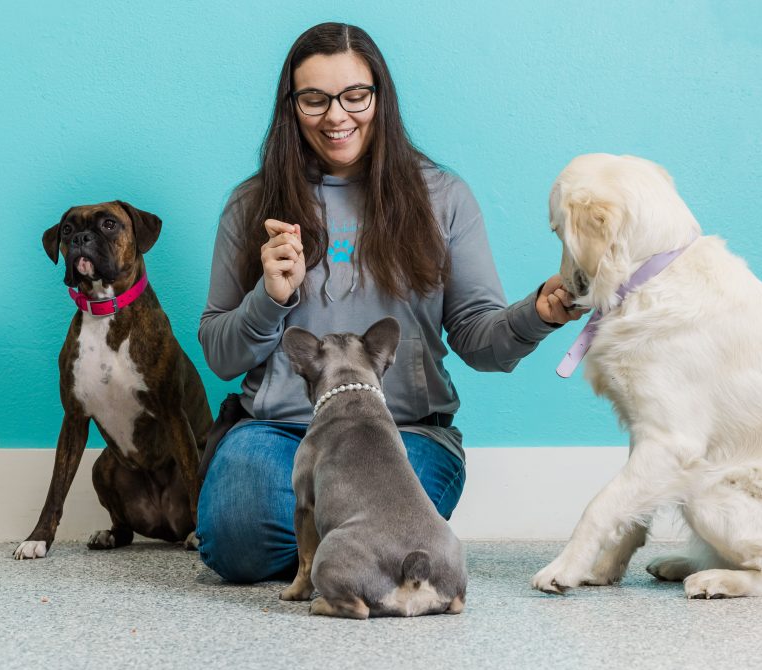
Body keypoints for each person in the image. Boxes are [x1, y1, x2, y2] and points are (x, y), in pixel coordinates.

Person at [196, 22, 584, 583]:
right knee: (239, 540)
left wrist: (538, 314)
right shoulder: (252, 203)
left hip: (403, 431)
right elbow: (220, 355)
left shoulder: (443, 197)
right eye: (314, 99)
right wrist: (269, 298)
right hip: (280, 431)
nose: (337, 117)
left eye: (355, 96)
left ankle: (331, 553)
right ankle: (348, 554)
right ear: (291, 105)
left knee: (367, 526)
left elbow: (479, 341)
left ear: (380, 96)